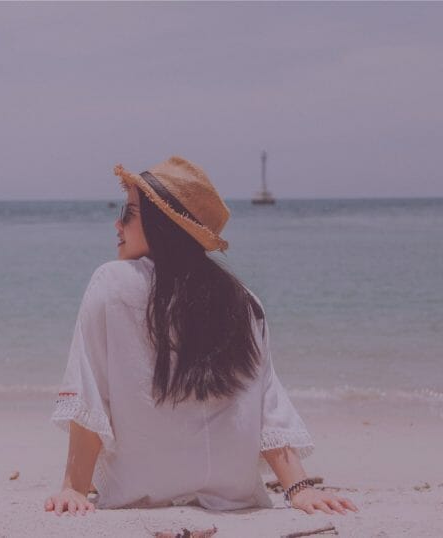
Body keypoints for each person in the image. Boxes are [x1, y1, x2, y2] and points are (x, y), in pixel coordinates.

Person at [43, 156, 358, 517]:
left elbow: (91, 389)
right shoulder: (243, 301)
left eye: (129, 212)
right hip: (234, 493)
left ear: (162, 225)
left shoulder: (111, 282)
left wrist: (74, 489)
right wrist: (299, 490)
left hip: (141, 488)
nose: (117, 223)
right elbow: (266, 401)